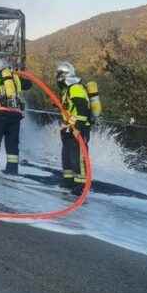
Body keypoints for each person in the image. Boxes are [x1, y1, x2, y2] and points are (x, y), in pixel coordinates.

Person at [0, 58, 32, 175]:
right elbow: (29, 85)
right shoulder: (16, 78)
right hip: (15, 115)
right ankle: (12, 170)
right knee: (12, 143)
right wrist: (21, 72)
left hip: (0, 115)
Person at [55, 61, 98, 195]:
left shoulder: (75, 88)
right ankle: (68, 182)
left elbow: (82, 108)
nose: (57, 77)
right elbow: (71, 108)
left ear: (64, 75)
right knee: (67, 157)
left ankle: (81, 185)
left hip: (79, 129)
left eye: (59, 74)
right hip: (69, 129)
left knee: (78, 157)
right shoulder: (68, 89)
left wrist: (78, 128)